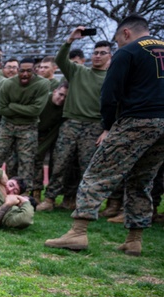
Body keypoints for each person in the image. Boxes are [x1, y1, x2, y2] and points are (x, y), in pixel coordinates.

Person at [46, 14, 164, 257]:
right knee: (142, 180)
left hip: (137, 120)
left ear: (126, 33)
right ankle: (134, 239)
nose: (117, 44)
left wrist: (109, 126)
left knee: (97, 173)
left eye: (117, 39)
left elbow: (110, 94)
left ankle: (78, 232)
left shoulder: (129, 51)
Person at [37, 32, 111, 211]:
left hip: (94, 126)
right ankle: (49, 199)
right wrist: (69, 40)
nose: (98, 56)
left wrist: (107, 129)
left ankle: (84, 204)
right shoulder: (78, 71)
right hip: (71, 123)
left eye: (102, 53)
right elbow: (60, 59)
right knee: (59, 163)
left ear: (110, 56)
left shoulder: (111, 77)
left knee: (87, 168)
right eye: (95, 52)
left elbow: (114, 105)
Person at [0, 57, 46, 191]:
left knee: (26, 163)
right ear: (18, 70)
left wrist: (13, 105)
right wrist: (26, 109)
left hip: (28, 127)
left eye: (29, 71)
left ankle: (24, 196)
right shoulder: (8, 84)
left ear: (35, 70)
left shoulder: (42, 84)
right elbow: (1, 109)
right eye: (22, 71)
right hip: (7, 125)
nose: (25, 74)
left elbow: (36, 110)